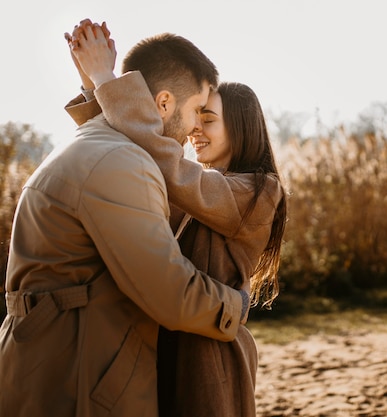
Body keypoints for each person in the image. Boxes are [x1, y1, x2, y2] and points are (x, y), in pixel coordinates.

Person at [0, 22, 251, 417]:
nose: (194, 130)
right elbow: (169, 292)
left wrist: (98, 87)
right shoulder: (121, 162)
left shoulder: (101, 146)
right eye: (196, 112)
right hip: (80, 385)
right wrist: (235, 305)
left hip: (58, 370)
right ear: (164, 103)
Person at [66, 21, 287, 417]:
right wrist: (93, 89)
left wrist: (106, 79)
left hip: (208, 361)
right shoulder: (193, 184)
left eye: (209, 119)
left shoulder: (258, 191)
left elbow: (161, 159)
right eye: (196, 115)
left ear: (240, 127)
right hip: (160, 348)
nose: (194, 129)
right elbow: (128, 160)